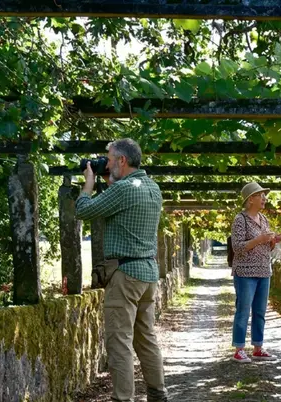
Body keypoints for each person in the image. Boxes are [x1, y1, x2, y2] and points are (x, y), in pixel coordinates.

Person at [75, 138, 167, 402]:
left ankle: (123, 398)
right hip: (147, 274)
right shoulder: (152, 187)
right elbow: (122, 205)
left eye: (110, 158)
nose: (107, 162)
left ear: (122, 161)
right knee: (145, 338)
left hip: (125, 275)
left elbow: (84, 210)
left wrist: (89, 185)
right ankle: (158, 393)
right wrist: (110, 179)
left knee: (119, 342)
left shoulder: (124, 189)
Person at [229, 182, 281, 363]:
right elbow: (237, 247)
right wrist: (259, 239)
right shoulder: (240, 219)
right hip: (245, 272)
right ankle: (239, 349)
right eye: (261, 195)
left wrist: (272, 241)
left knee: (260, 311)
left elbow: (265, 245)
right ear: (251, 199)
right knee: (243, 310)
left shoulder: (264, 219)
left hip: (264, 271)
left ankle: (258, 347)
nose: (264, 199)